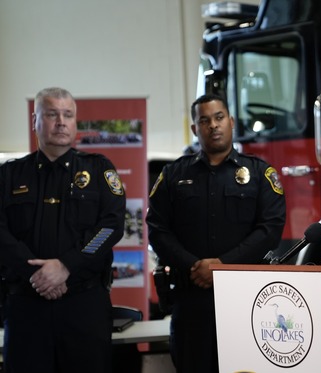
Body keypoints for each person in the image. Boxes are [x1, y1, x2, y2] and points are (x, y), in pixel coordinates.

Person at [146, 93, 286, 373]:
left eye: (219, 117)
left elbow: (270, 229)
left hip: (244, 298)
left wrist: (223, 267)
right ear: (194, 129)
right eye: (204, 120)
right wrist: (194, 266)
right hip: (191, 298)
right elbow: (157, 230)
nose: (213, 125)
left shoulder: (259, 173)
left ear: (231, 122)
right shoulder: (173, 174)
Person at [0, 87, 126, 372]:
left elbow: (111, 227)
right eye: (52, 114)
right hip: (25, 306)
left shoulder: (98, 170)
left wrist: (68, 265)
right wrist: (35, 272)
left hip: (84, 305)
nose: (61, 121)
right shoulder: (8, 175)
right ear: (35, 121)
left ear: (75, 122)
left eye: (68, 115)